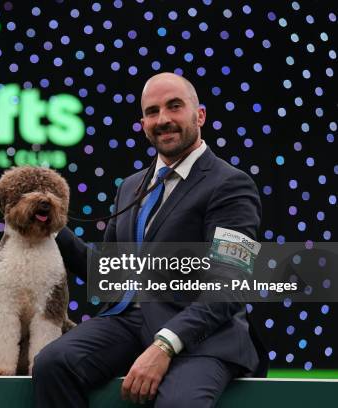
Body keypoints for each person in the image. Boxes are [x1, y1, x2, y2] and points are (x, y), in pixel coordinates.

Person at [32, 72, 267, 407]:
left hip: (202, 336)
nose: (163, 119)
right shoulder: (130, 186)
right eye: (153, 111)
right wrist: (52, 227)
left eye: (174, 107)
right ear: (143, 123)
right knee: (52, 364)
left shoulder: (231, 185)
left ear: (199, 115)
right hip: (128, 322)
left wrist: (164, 345)